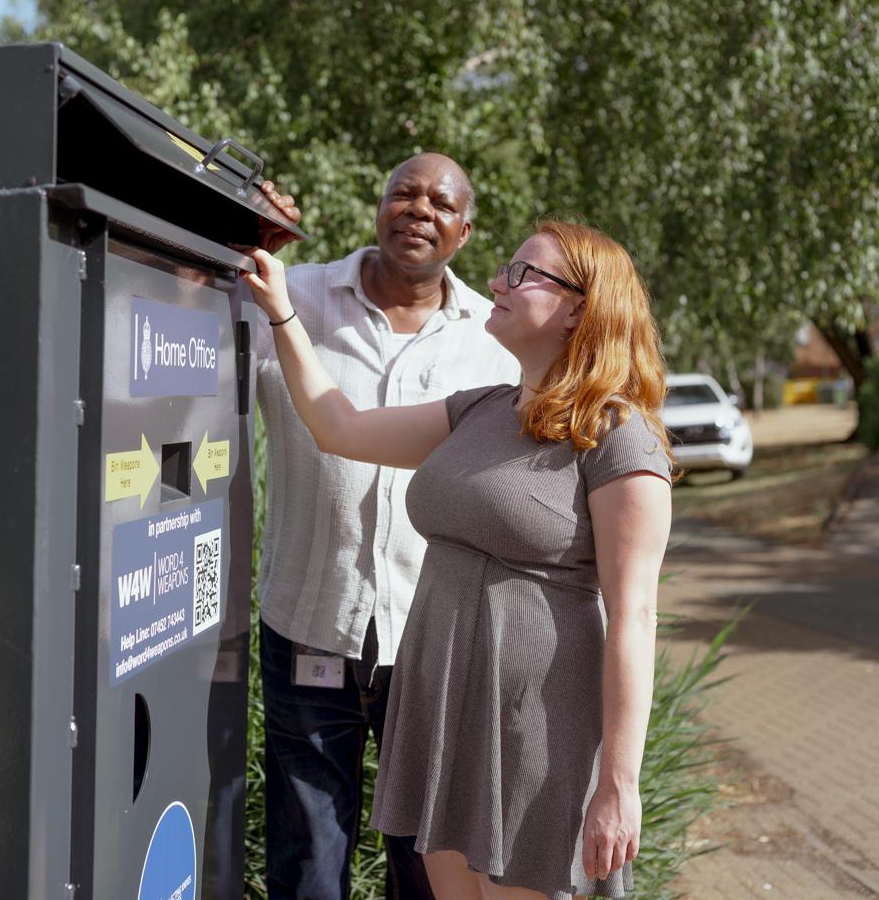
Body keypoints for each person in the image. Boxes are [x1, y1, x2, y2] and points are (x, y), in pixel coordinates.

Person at [243, 218, 674, 900]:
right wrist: (283, 312)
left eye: (525, 274)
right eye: (507, 268)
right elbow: (340, 427)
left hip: (534, 729)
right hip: (445, 711)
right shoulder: (481, 410)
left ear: (579, 311)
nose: (499, 282)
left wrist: (620, 787)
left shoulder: (619, 437)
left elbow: (635, 618)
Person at [254, 155, 521, 900]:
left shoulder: (490, 336)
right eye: (404, 193)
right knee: (306, 864)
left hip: (430, 643)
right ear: (378, 207)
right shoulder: (290, 294)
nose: (419, 210)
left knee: (425, 865)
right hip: (307, 620)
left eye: (441, 203)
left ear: (463, 232)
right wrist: (250, 231)